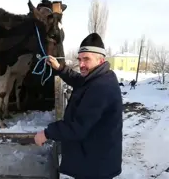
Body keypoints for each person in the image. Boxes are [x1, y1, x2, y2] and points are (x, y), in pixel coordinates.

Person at [34, 33, 123, 179]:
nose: (81, 64)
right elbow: (78, 80)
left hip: (95, 167)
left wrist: (47, 133)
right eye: (79, 59)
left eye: (86, 59)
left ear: (101, 60)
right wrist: (60, 68)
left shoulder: (101, 87)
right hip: (95, 159)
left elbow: (77, 127)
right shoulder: (99, 77)